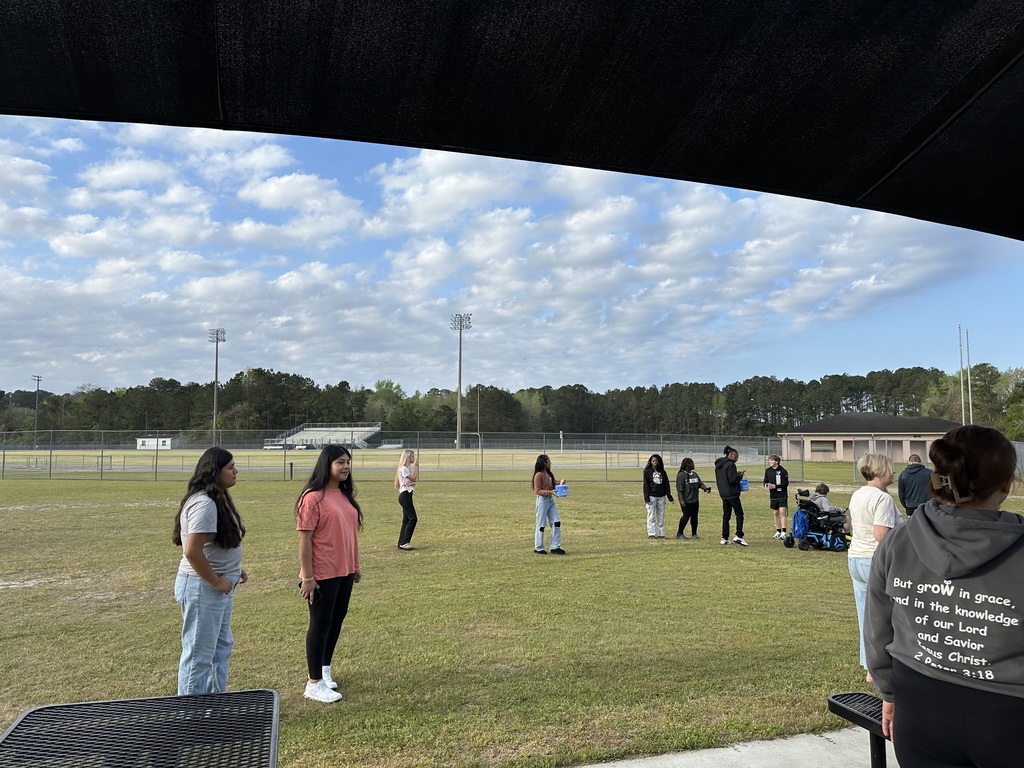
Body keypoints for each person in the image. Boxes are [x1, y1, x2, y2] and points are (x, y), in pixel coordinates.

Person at [866, 426, 1024, 767]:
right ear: (1007, 482)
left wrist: (888, 692)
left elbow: (877, 627)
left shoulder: (899, 540)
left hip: (919, 708)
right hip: (1009, 714)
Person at [172, 447, 247, 695]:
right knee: (199, 654)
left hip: (217, 585)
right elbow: (192, 551)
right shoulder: (204, 504)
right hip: (202, 588)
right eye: (230, 467)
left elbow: (216, 544)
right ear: (215, 471)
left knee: (220, 647)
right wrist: (216, 581)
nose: (236, 471)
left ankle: (214, 705)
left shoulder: (218, 499)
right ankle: (191, 716)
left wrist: (235, 569)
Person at [296, 445, 363, 703]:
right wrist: (308, 577)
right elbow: (305, 539)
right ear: (327, 465)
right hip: (322, 572)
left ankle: (324, 669)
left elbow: (350, 534)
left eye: (348, 461)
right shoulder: (312, 497)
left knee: (336, 620)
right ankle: (313, 684)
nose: (346, 466)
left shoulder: (345, 495)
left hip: (344, 570)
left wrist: (355, 566)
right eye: (340, 462)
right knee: (320, 623)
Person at [847, 453, 902, 681]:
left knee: (866, 616)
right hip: (875, 561)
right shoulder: (883, 500)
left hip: (856, 559)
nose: (894, 472)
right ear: (880, 471)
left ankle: (870, 665)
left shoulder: (859, 494)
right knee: (884, 618)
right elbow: (882, 534)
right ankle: (879, 667)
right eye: (890, 468)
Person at [714, 446, 747, 546]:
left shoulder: (719, 465)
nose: (737, 459)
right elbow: (732, 479)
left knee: (726, 515)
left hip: (723, 493)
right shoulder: (731, 465)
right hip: (732, 494)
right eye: (736, 456)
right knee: (739, 513)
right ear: (731, 455)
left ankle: (724, 537)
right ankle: (739, 535)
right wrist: (739, 476)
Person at [533, 454, 565, 554]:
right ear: (544, 463)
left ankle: (555, 546)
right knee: (541, 525)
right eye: (549, 461)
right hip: (542, 501)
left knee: (556, 522)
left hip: (550, 500)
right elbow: (537, 490)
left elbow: (553, 483)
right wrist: (549, 492)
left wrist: (560, 483)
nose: (550, 463)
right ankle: (538, 547)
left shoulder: (548, 474)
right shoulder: (538, 475)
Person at [675, 457, 711, 539]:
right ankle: (679, 533)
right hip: (686, 501)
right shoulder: (681, 475)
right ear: (687, 465)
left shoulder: (694, 474)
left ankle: (694, 534)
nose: (693, 465)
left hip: (695, 500)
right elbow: (680, 490)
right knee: (686, 516)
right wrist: (681, 501)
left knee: (694, 517)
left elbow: (700, 483)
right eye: (691, 463)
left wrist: (705, 488)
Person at [643, 453, 674, 539]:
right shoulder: (647, 472)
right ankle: (651, 533)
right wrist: (646, 498)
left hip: (661, 496)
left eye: (656, 461)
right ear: (650, 462)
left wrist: (669, 496)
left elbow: (666, 484)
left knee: (661, 515)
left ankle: (661, 534)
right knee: (651, 515)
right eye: (653, 461)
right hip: (652, 496)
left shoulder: (663, 472)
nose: (655, 462)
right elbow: (646, 486)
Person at [394, 449, 419, 550]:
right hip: (405, 496)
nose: (414, 458)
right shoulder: (404, 468)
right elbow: (414, 478)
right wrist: (416, 466)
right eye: (412, 456)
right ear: (408, 458)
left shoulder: (404, 469)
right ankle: (405, 542)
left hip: (407, 495)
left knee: (406, 519)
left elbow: (411, 483)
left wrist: (411, 483)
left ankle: (401, 542)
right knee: (413, 518)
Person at [763, 454, 789, 539]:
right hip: (773, 495)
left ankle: (784, 532)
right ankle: (778, 531)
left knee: (782, 512)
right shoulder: (768, 471)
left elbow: (785, 483)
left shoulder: (783, 471)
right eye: (769, 460)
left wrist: (776, 486)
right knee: (775, 513)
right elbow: (765, 482)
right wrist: (767, 485)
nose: (770, 461)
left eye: (772, 460)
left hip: (782, 495)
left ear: (776, 461)